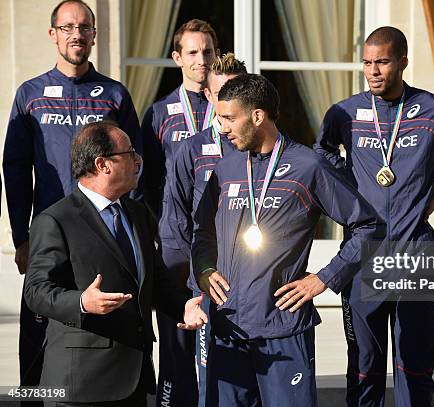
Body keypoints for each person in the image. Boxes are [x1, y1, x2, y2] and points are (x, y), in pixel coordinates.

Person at [314, 26, 434, 406]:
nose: (373, 70)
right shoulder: (344, 113)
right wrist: (349, 190)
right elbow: (322, 153)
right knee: (364, 368)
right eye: (367, 62)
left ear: (403, 62)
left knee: (414, 368)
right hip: (364, 260)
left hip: (415, 257)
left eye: (383, 61)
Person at [191, 74, 381, 406]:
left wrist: (324, 278)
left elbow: (370, 228)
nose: (221, 127)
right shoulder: (226, 167)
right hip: (229, 328)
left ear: (257, 116)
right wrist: (205, 270)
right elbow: (201, 230)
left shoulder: (308, 166)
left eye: (229, 118)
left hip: (283, 327)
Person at [2, 0, 140, 393]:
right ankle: (37, 400)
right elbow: (14, 169)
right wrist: (21, 237)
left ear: (94, 34)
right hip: (49, 234)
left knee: (100, 326)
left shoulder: (114, 94)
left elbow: (135, 169)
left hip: (102, 234)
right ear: (53, 35)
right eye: (67, 27)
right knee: (38, 331)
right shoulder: (30, 95)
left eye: (84, 27)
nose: (76, 34)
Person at [23, 121, 207, 406]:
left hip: (136, 380)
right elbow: (36, 291)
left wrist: (181, 306)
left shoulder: (137, 213)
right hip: (81, 384)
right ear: (102, 164)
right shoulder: (56, 220)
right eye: (129, 153)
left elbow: (154, 279)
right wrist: (82, 302)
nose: (138, 160)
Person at [139, 19, 219, 407]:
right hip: (174, 247)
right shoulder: (159, 114)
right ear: (177, 58)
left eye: (207, 51)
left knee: (220, 344)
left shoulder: (230, 108)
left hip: (223, 244)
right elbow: (146, 183)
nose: (201, 60)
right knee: (176, 346)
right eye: (192, 52)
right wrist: (162, 231)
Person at [170, 52, 246, 405]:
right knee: (211, 385)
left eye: (236, 92)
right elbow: (176, 220)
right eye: (220, 93)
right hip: (209, 283)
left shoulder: (265, 148)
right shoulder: (191, 149)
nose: (227, 101)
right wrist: (190, 286)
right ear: (209, 97)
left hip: (255, 282)